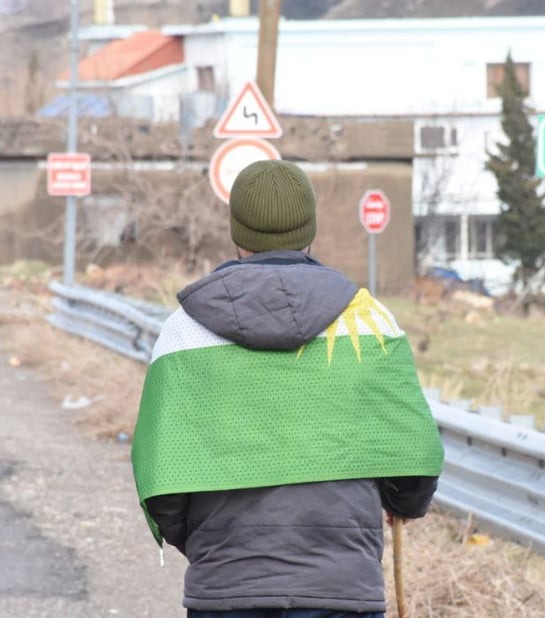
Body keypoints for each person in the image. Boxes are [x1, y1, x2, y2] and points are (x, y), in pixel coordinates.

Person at [131, 160, 444, 618]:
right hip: (342, 586)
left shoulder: (185, 331)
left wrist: (203, 542)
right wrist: (401, 502)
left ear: (237, 231)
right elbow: (413, 456)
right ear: (310, 230)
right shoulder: (370, 322)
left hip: (225, 585)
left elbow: (161, 474)